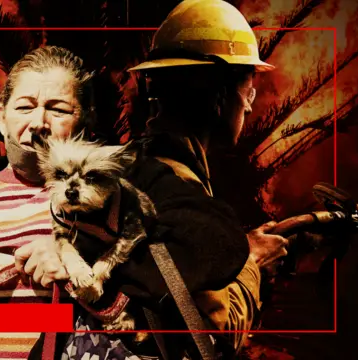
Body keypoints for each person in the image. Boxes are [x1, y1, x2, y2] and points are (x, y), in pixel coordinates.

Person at [0, 43, 283, 360]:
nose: (39, 122)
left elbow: (217, 241)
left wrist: (87, 256)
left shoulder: (122, 176)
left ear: (86, 121)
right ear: (1, 116)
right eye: (24, 107)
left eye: (58, 109)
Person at [123, 0, 291, 356]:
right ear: (219, 95)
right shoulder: (179, 189)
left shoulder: (130, 168)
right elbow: (213, 334)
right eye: (248, 89)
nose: (249, 105)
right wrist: (253, 263)